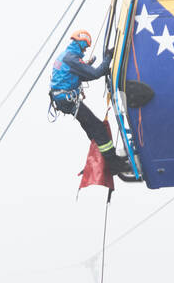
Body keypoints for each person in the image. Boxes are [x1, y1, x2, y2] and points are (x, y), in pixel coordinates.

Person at [49, 30, 134, 178]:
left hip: (64, 100)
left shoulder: (66, 56)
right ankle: (113, 163)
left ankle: (107, 158)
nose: (85, 50)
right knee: (98, 129)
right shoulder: (71, 59)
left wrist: (92, 67)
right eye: (85, 47)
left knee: (93, 130)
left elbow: (81, 76)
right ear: (81, 43)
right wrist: (108, 57)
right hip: (68, 101)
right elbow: (94, 74)